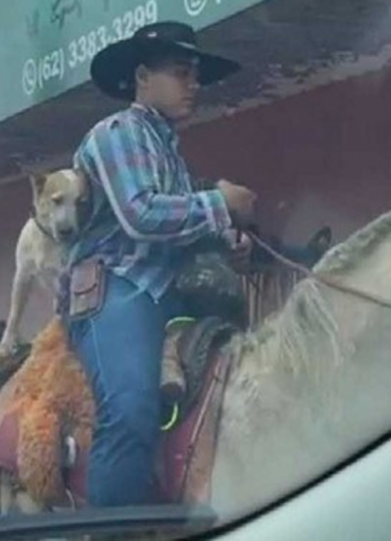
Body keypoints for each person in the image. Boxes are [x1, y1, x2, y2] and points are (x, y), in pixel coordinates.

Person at [61, 21, 257, 507]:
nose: (194, 83)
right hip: (117, 288)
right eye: (181, 71)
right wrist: (220, 202)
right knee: (130, 410)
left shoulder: (170, 153)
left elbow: (180, 230)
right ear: (144, 77)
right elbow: (140, 214)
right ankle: (105, 534)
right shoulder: (118, 132)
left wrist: (229, 243)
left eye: (196, 74)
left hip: (170, 295)